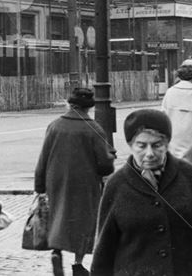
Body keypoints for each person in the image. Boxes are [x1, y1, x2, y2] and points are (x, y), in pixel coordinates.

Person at [93, 108, 192, 276]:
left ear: (167, 143)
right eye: (141, 145)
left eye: (156, 145)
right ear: (131, 145)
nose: (149, 153)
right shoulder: (116, 184)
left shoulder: (189, 176)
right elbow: (104, 248)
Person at [34, 87, 116, 276]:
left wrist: (39, 185)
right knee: (83, 221)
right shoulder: (94, 128)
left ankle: (56, 251)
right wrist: (109, 160)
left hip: (56, 180)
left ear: (70, 104)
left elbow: (43, 158)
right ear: (89, 108)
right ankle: (78, 264)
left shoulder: (54, 126)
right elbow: (105, 166)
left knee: (58, 215)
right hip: (85, 183)